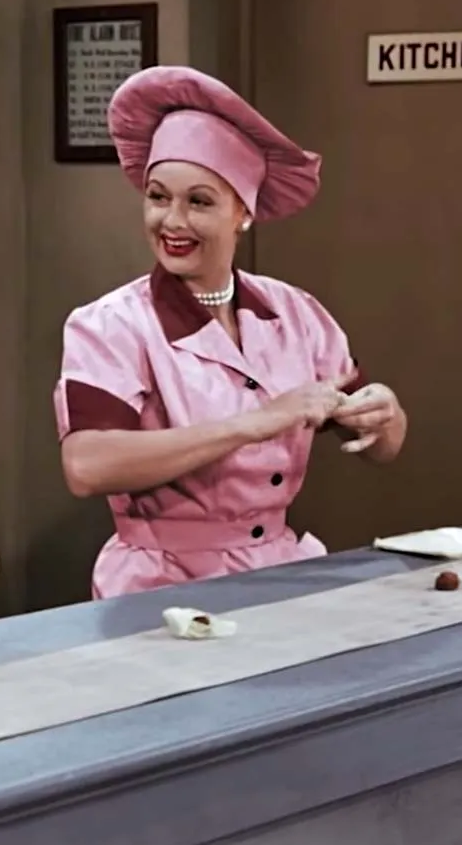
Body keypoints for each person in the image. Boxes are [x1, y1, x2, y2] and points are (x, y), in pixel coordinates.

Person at [53, 66, 408, 599]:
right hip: (159, 588)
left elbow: (383, 447)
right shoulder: (111, 324)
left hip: (280, 575)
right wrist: (256, 423)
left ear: (244, 212)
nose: (172, 222)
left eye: (199, 201)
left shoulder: (295, 314)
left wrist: (385, 415)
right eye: (157, 197)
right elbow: (86, 465)